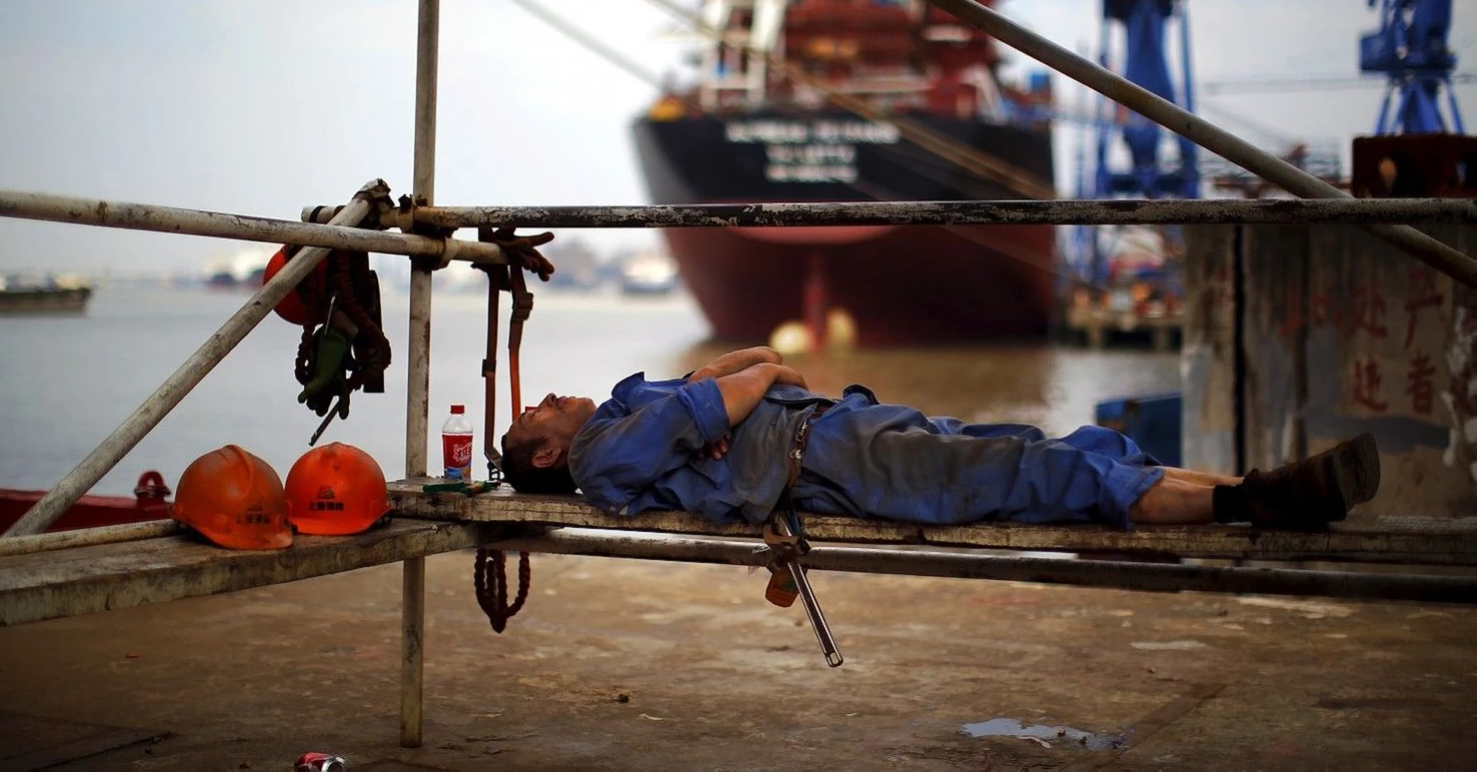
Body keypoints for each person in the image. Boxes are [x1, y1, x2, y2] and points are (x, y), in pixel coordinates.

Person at [500, 347, 1380, 530]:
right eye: (534, 410)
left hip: (848, 429)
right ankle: (1250, 504)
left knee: (1071, 447)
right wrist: (739, 391)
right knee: (1049, 474)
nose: (546, 397)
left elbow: (758, 364)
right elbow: (750, 380)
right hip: (838, 458)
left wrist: (736, 389)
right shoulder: (599, 456)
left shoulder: (626, 415)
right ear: (545, 454)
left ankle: (1262, 485)